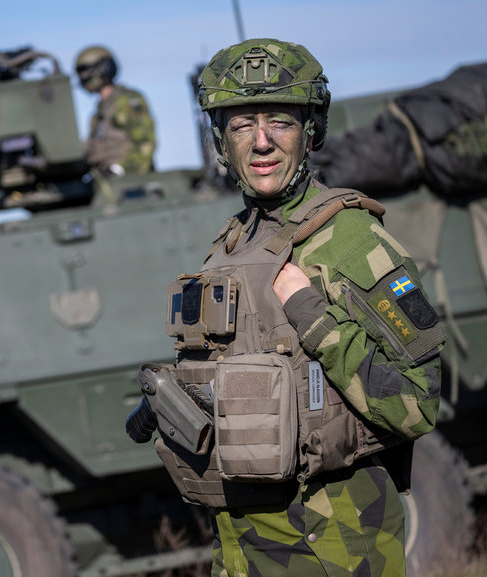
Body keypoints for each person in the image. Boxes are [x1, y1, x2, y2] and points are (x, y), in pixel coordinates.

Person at [126, 39, 445, 576]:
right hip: (242, 549)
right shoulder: (228, 248)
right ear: (221, 140)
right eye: (242, 125)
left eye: (280, 121)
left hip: (332, 548)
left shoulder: (349, 240)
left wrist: (314, 320)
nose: (262, 142)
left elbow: (418, 404)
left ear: (310, 131)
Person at [75, 45, 157, 177]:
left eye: (86, 71)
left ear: (105, 68)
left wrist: (120, 169)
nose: (83, 77)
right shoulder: (99, 114)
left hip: (133, 181)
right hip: (108, 184)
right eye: (80, 72)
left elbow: (145, 142)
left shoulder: (128, 101)